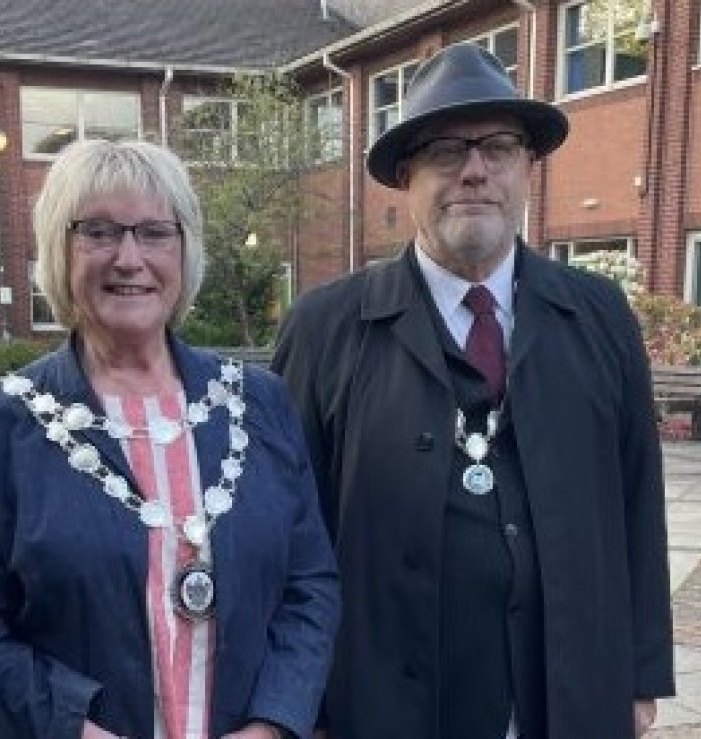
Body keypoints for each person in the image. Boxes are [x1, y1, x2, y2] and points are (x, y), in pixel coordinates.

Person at [272, 42, 674, 739]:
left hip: (570, 693)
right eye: (446, 149)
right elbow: (285, 535)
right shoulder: (325, 327)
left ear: (527, 166)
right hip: (383, 704)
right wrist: (293, 699)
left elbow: (638, 501)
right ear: (405, 173)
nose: (475, 170)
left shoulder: (600, 313)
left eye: (499, 146)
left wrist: (641, 674)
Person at [0, 139, 339, 739]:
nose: (129, 258)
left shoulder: (262, 403)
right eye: (98, 231)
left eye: (154, 233)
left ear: (184, 250)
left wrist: (272, 724)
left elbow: (311, 589)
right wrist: (75, 729)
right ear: (58, 250)